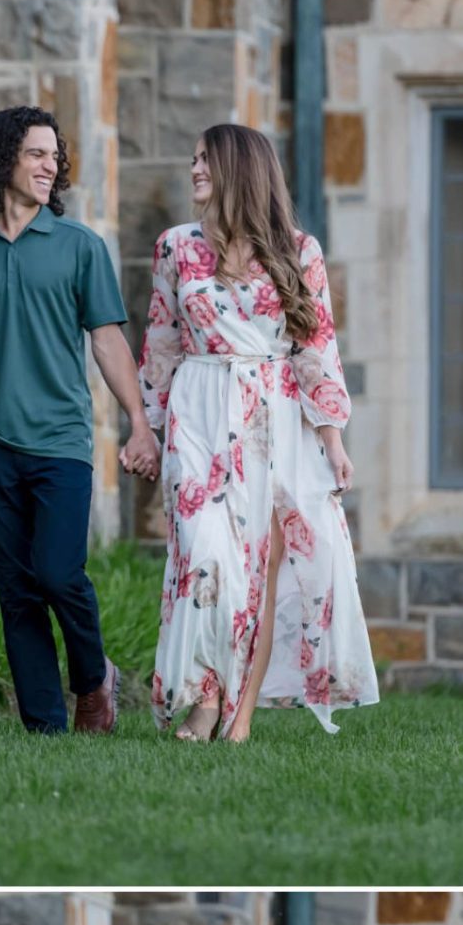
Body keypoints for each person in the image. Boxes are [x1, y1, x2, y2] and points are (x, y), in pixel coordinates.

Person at [137, 123, 380, 742]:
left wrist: (332, 438)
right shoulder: (174, 247)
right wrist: (147, 429)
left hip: (273, 418)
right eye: (194, 159)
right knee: (203, 553)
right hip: (198, 407)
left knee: (258, 571)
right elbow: (161, 344)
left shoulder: (299, 251)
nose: (194, 169)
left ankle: (236, 717)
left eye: (206, 160)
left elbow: (315, 347)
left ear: (239, 170)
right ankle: (205, 697)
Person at [0, 106, 160, 737]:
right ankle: (44, 726)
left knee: (58, 573)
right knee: (16, 588)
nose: (49, 165)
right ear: (2, 158)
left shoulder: (79, 246)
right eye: (36, 153)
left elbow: (108, 340)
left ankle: (93, 679)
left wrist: (139, 422)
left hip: (61, 441)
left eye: (54, 156)